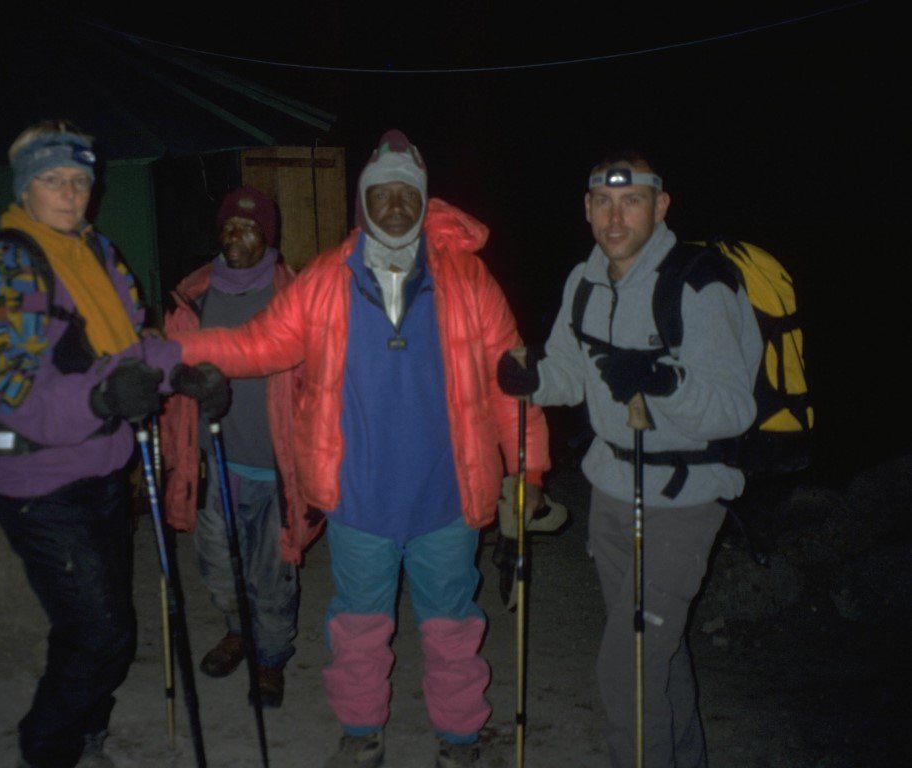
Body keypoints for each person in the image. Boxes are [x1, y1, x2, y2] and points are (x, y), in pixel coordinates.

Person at [165, 130, 551, 768]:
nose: (395, 204)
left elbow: (512, 385)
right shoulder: (323, 280)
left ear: (424, 201)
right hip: (358, 499)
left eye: (408, 193)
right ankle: (362, 732)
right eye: (383, 193)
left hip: (448, 498)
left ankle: (458, 738)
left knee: (453, 628)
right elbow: (253, 345)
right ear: (364, 203)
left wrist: (530, 468)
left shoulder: (470, 280)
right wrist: (168, 353)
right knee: (359, 630)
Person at [497, 151, 762, 768]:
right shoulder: (583, 280)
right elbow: (569, 373)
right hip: (611, 491)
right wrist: (531, 379)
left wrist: (665, 382)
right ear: (588, 209)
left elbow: (732, 410)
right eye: (603, 202)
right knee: (654, 658)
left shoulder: (699, 283)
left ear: (660, 206)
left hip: (683, 500)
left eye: (632, 200)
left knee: (628, 666)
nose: (616, 217)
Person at [0, 119, 176, 768]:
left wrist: (181, 367)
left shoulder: (98, 254)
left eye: (80, 180)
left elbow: (135, 342)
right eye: (53, 180)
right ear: (26, 189)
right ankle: (46, 750)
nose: (70, 193)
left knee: (105, 629)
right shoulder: (9, 269)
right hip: (37, 484)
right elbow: (10, 394)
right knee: (99, 632)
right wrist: (102, 399)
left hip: (102, 470)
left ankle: (88, 733)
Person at [161, 186, 320, 708]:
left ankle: (270, 658)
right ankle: (237, 630)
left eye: (249, 228)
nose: (237, 236)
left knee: (271, 574)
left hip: (274, 466)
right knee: (217, 563)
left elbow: (322, 384)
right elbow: (169, 376)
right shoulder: (192, 295)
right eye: (229, 226)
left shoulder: (295, 295)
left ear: (268, 237)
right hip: (212, 463)